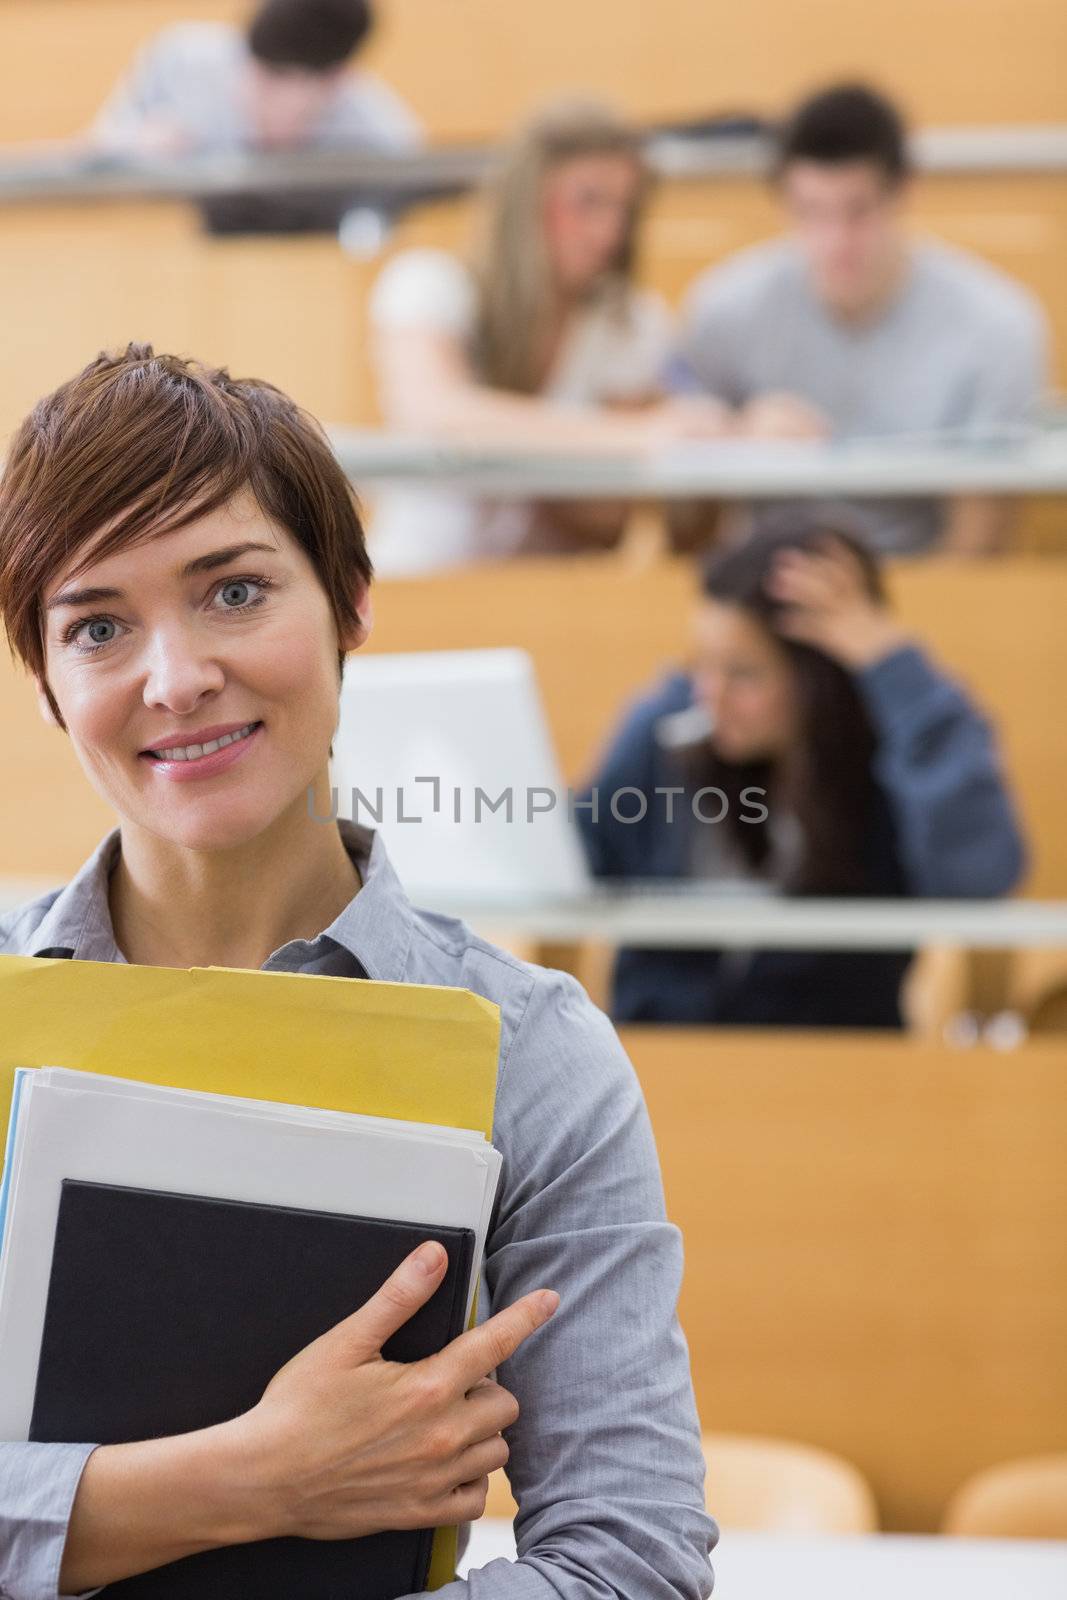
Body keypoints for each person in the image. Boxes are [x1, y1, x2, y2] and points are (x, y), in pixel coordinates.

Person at [0, 345, 714, 1600]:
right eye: (98, 625)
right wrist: (249, 1479)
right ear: (49, 686)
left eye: (233, 592)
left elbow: (631, 1559)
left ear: (350, 601)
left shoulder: (531, 1049)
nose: (175, 678)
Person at [576, 522, 1026, 1027]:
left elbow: (980, 875)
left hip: (835, 1070)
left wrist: (891, 661)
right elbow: (577, 857)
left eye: (743, 674)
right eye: (700, 665)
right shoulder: (666, 729)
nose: (711, 695)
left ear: (819, 682)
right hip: (660, 1059)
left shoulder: (893, 753)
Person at [671, 83, 1051, 556]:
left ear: (905, 191)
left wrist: (880, 629)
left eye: (858, 211)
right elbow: (685, 514)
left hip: (923, 591)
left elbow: (982, 532)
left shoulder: (996, 324)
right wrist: (736, 433)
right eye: (810, 212)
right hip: (767, 586)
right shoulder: (724, 310)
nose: (835, 242)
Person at [368, 99, 730, 575]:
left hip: (550, 593)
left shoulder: (632, 323)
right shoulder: (426, 283)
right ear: (526, 202)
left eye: (624, 207)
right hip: (421, 576)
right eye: (588, 202)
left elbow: (609, 522)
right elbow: (436, 414)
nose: (609, 230)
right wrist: (634, 435)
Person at [85, 0, 420, 159]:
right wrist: (133, 149)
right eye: (248, 65)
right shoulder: (181, 63)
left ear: (334, 82)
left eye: (276, 78)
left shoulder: (376, 137)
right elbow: (87, 160)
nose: (249, 89)